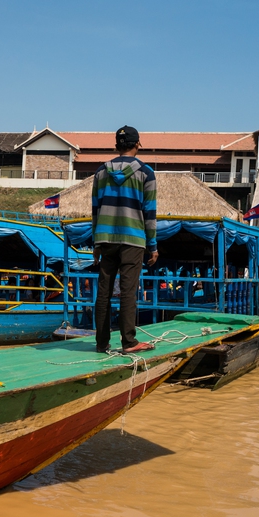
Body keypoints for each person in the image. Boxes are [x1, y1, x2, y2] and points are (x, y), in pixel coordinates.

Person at [93, 125, 158, 354]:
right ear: (137, 145)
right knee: (128, 292)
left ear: (116, 146)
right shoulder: (146, 173)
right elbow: (149, 213)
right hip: (133, 239)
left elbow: (95, 210)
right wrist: (153, 246)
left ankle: (101, 343)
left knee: (104, 292)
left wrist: (96, 243)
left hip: (105, 238)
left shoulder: (101, 172)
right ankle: (129, 342)